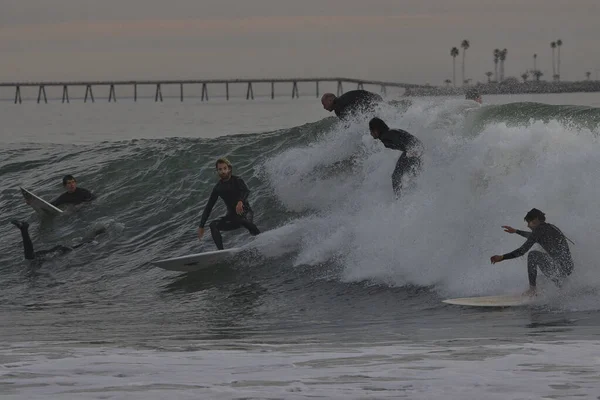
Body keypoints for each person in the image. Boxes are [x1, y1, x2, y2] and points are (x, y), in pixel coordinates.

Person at [490, 208, 574, 297]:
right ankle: (562, 288)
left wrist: (502, 257)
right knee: (541, 279)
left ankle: (532, 290)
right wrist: (516, 231)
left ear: (536, 220)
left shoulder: (539, 231)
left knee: (533, 255)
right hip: (566, 268)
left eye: (528, 222)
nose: (528, 226)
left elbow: (522, 251)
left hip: (559, 268)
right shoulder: (550, 227)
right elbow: (533, 236)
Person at [197, 158, 260, 250]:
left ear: (229, 169)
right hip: (232, 217)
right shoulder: (218, 188)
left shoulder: (237, 180)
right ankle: (221, 252)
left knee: (243, 220)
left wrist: (240, 201)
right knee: (213, 225)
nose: (223, 171)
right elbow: (209, 207)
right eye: (220, 169)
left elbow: (246, 191)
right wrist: (201, 226)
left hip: (246, 213)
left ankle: (260, 239)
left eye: (224, 168)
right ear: (217, 171)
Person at [368, 117, 424, 199]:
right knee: (412, 173)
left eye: (371, 130)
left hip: (413, 150)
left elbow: (402, 140)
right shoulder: (389, 133)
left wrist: (411, 151)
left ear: (376, 130)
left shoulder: (387, 136)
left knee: (395, 176)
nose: (370, 133)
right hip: (416, 148)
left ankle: (398, 199)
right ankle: (416, 195)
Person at [11, 220, 105, 261]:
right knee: (31, 257)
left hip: (59, 250)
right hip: (61, 251)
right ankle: (24, 229)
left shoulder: (85, 242)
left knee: (31, 257)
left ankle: (24, 229)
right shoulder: (89, 243)